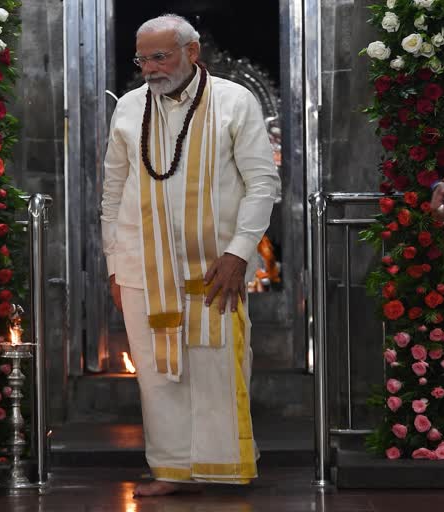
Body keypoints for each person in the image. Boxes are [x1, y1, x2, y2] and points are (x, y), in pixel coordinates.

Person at [101, 15, 280, 496]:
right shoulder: (129, 109)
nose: (150, 69)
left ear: (193, 52)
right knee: (156, 374)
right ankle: (172, 470)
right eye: (142, 59)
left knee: (217, 366)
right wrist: (115, 265)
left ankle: (223, 466)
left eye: (160, 56)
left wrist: (240, 253)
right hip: (142, 265)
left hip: (216, 265)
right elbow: (113, 191)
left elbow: (263, 183)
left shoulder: (233, 101)